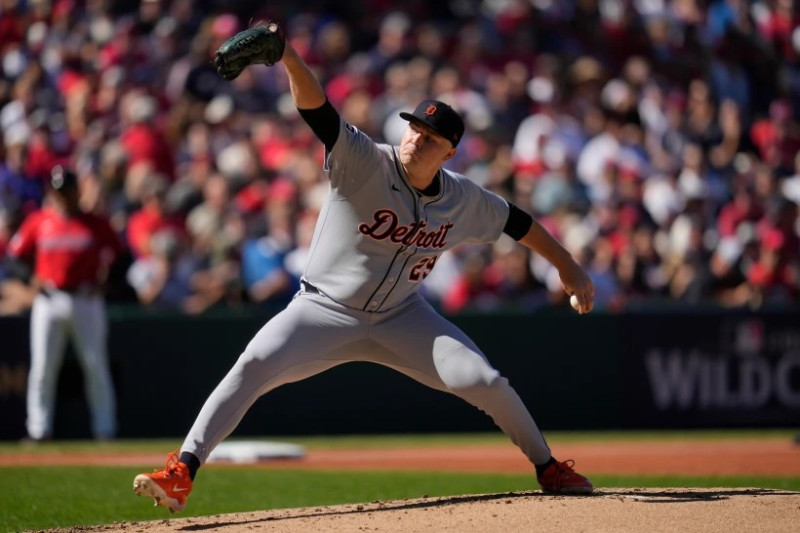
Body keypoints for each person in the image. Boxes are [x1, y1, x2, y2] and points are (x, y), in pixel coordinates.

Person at [133, 29, 596, 514]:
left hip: (404, 316)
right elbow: (318, 112)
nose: (417, 138)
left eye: (431, 136)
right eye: (414, 127)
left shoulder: (462, 198)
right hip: (322, 309)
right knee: (252, 365)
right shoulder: (364, 160)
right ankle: (183, 470)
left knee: (486, 380)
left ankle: (548, 468)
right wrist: (289, 56)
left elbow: (518, 223)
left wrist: (568, 267)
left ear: (449, 152)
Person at [7, 166, 122, 441]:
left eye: (68, 191)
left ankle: (105, 429)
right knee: (43, 367)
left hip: (86, 299)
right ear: (52, 192)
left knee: (95, 366)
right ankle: (38, 429)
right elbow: (14, 256)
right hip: (49, 298)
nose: (64, 197)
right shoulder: (39, 221)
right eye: (59, 191)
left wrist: (107, 284)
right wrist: (29, 278)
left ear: (76, 192)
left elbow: (120, 256)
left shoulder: (95, 222)